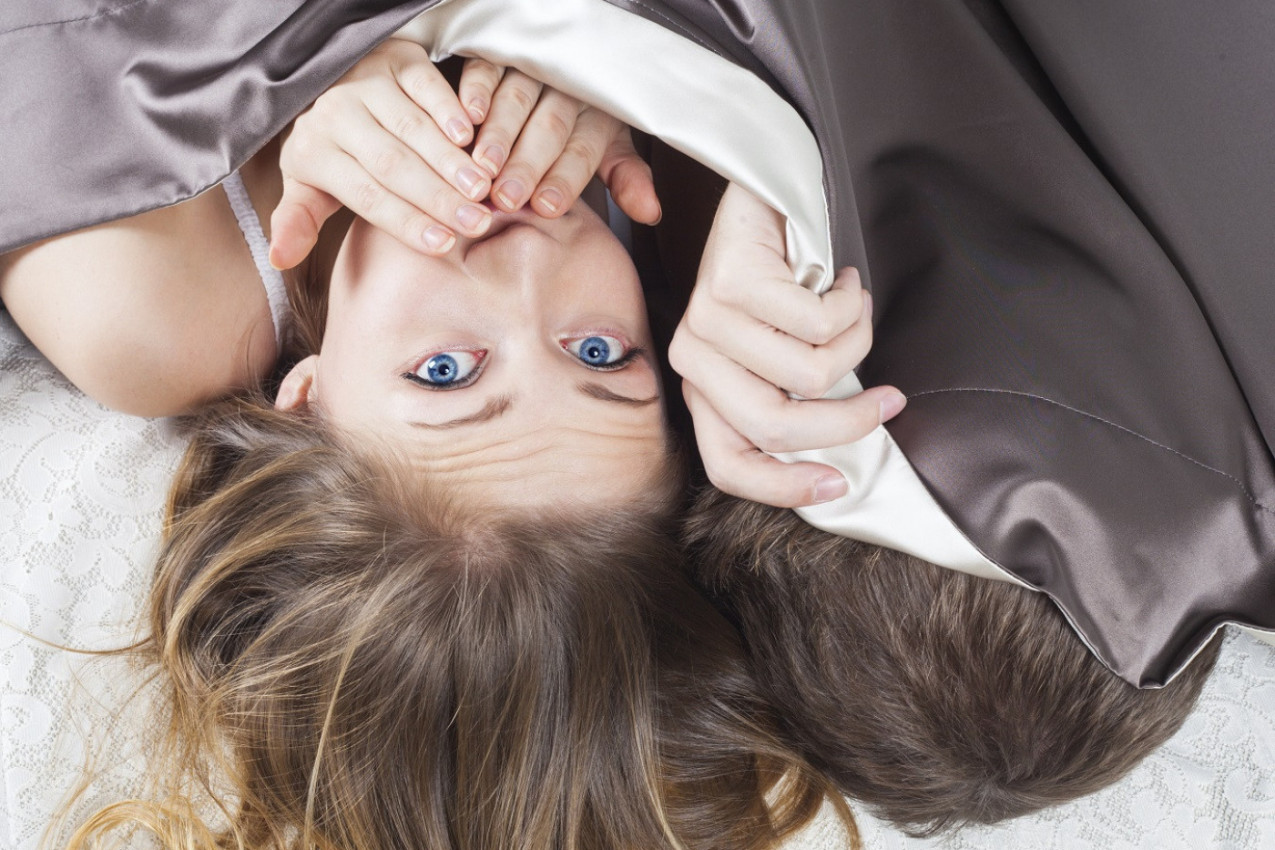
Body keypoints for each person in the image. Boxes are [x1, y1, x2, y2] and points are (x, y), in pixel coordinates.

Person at [2, 40, 875, 850]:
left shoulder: (155, 317)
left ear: (304, 408)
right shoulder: (667, 217)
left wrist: (293, 65)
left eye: (447, 371)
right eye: (601, 353)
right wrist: (622, 67)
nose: (528, 265)